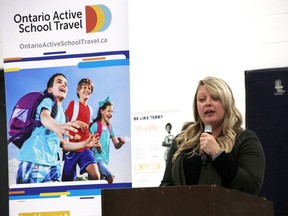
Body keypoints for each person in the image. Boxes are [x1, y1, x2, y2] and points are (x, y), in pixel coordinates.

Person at [160, 76, 265, 195]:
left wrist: (217, 154)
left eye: (215, 98)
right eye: (202, 99)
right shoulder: (181, 141)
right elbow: (166, 185)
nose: (208, 103)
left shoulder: (245, 139)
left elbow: (251, 186)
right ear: (196, 106)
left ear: (227, 102)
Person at [16, 73, 100, 184]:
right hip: (35, 160)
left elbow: (65, 144)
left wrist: (84, 144)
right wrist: (57, 127)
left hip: (53, 166)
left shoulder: (64, 116)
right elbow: (44, 117)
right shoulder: (48, 102)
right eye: (59, 82)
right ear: (50, 89)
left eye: (66, 84)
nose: (63, 85)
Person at [62, 78, 101, 181]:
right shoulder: (73, 104)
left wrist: (93, 140)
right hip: (72, 148)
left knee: (95, 176)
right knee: (68, 181)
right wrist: (77, 123)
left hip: (85, 148)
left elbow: (86, 129)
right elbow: (63, 124)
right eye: (84, 87)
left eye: (89, 88)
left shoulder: (90, 110)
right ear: (78, 91)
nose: (87, 90)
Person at [90, 96, 126, 184]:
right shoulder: (95, 125)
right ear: (102, 111)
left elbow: (116, 145)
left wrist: (120, 143)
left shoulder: (110, 128)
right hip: (96, 160)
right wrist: (96, 143)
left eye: (112, 111)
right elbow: (88, 140)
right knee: (111, 177)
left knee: (100, 184)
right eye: (108, 111)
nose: (111, 114)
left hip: (105, 161)